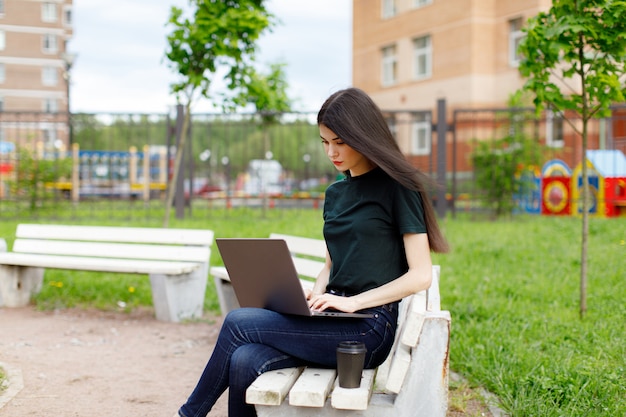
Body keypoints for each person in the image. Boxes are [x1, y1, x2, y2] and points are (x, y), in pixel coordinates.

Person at [175, 87, 448, 417]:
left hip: (367, 328)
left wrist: (353, 302)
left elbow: (420, 275)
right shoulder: (336, 193)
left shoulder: (399, 187)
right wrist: (314, 297)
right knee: (243, 359)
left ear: (363, 135)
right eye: (324, 142)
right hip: (333, 317)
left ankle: (187, 415)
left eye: (339, 142)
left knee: (238, 322)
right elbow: (330, 265)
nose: (331, 151)